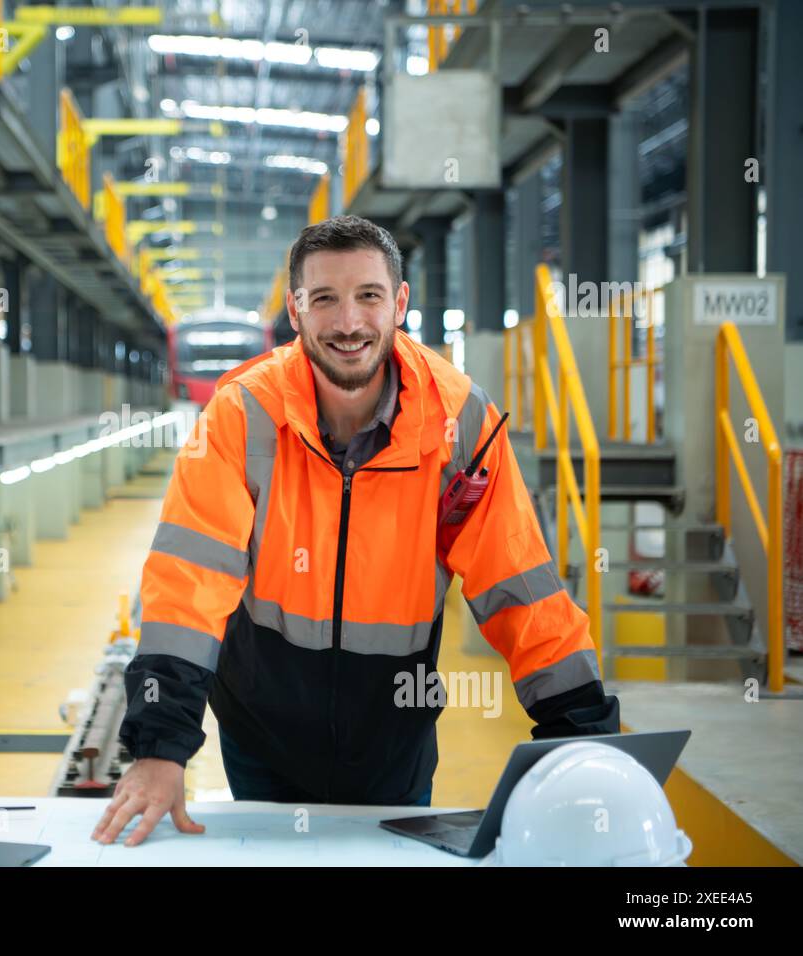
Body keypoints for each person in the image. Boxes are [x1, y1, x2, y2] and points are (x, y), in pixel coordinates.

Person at [92, 216, 619, 847]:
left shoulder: (461, 424)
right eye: (325, 299)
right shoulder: (241, 415)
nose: (348, 323)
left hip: (393, 739)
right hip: (262, 733)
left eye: (368, 296)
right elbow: (188, 588)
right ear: (295, 310)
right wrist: (160, 747)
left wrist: (583, 739)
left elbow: (520, 587)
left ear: (399, 303)